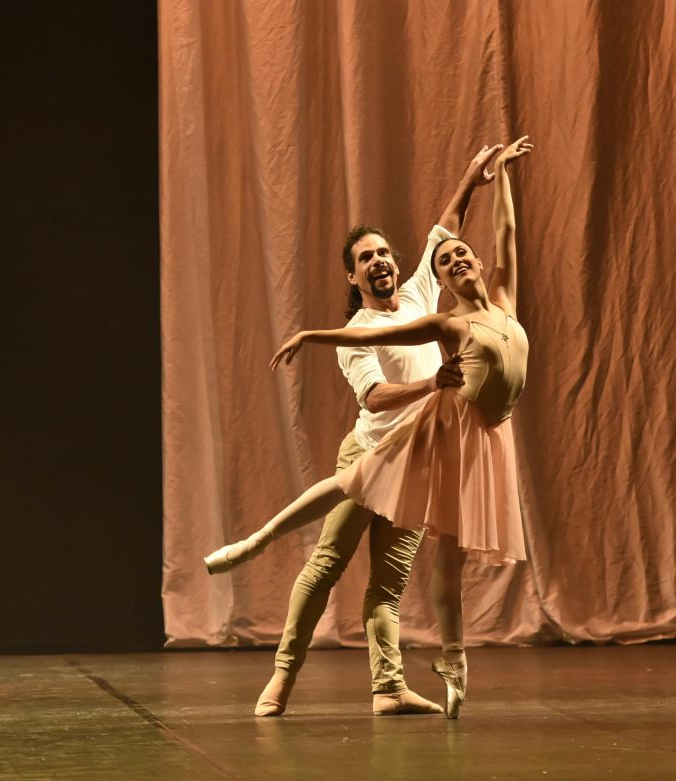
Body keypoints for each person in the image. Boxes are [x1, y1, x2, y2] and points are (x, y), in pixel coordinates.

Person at [206, 136, 533, 719]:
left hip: (420, 463)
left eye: (384, 253)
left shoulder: (420, 293)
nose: (379, 261)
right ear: (354, 276)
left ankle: (388, 688)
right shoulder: (358, 333)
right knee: (326, 565)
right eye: (366, 258)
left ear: (396, 264)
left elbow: (446, 229)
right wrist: (430, 385)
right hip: (371, 453)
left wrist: (473, 177)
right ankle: (283, 674)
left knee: (390, 582)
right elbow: (377, 398)